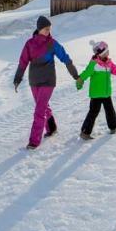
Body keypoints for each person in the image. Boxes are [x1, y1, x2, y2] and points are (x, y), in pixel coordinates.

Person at [13, 16, 79, 149]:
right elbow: (23, 62)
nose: (48, 31)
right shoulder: (29, 44)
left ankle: (34, 140)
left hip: (48, 81)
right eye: (45, 29)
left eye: (49, 28)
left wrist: (75, 75)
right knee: (42, 106)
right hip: (34, 80)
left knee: (39, 110)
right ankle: (51, 127)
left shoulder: (52, 43)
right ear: (39, 29)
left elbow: (65, 58)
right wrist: (17, 78)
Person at [75, 40, 116, 139]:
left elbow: (115, 70)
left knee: (110, 110)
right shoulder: (94, 64)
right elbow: (86, 73)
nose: (108, 53)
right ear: (101, 53)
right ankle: (85, 132)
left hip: (106, 93)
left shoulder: (109, 63)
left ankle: (114, 127)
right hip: (96, 94)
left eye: (108, 51)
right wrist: (80, 81)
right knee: (93, 112)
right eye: (106, 51)